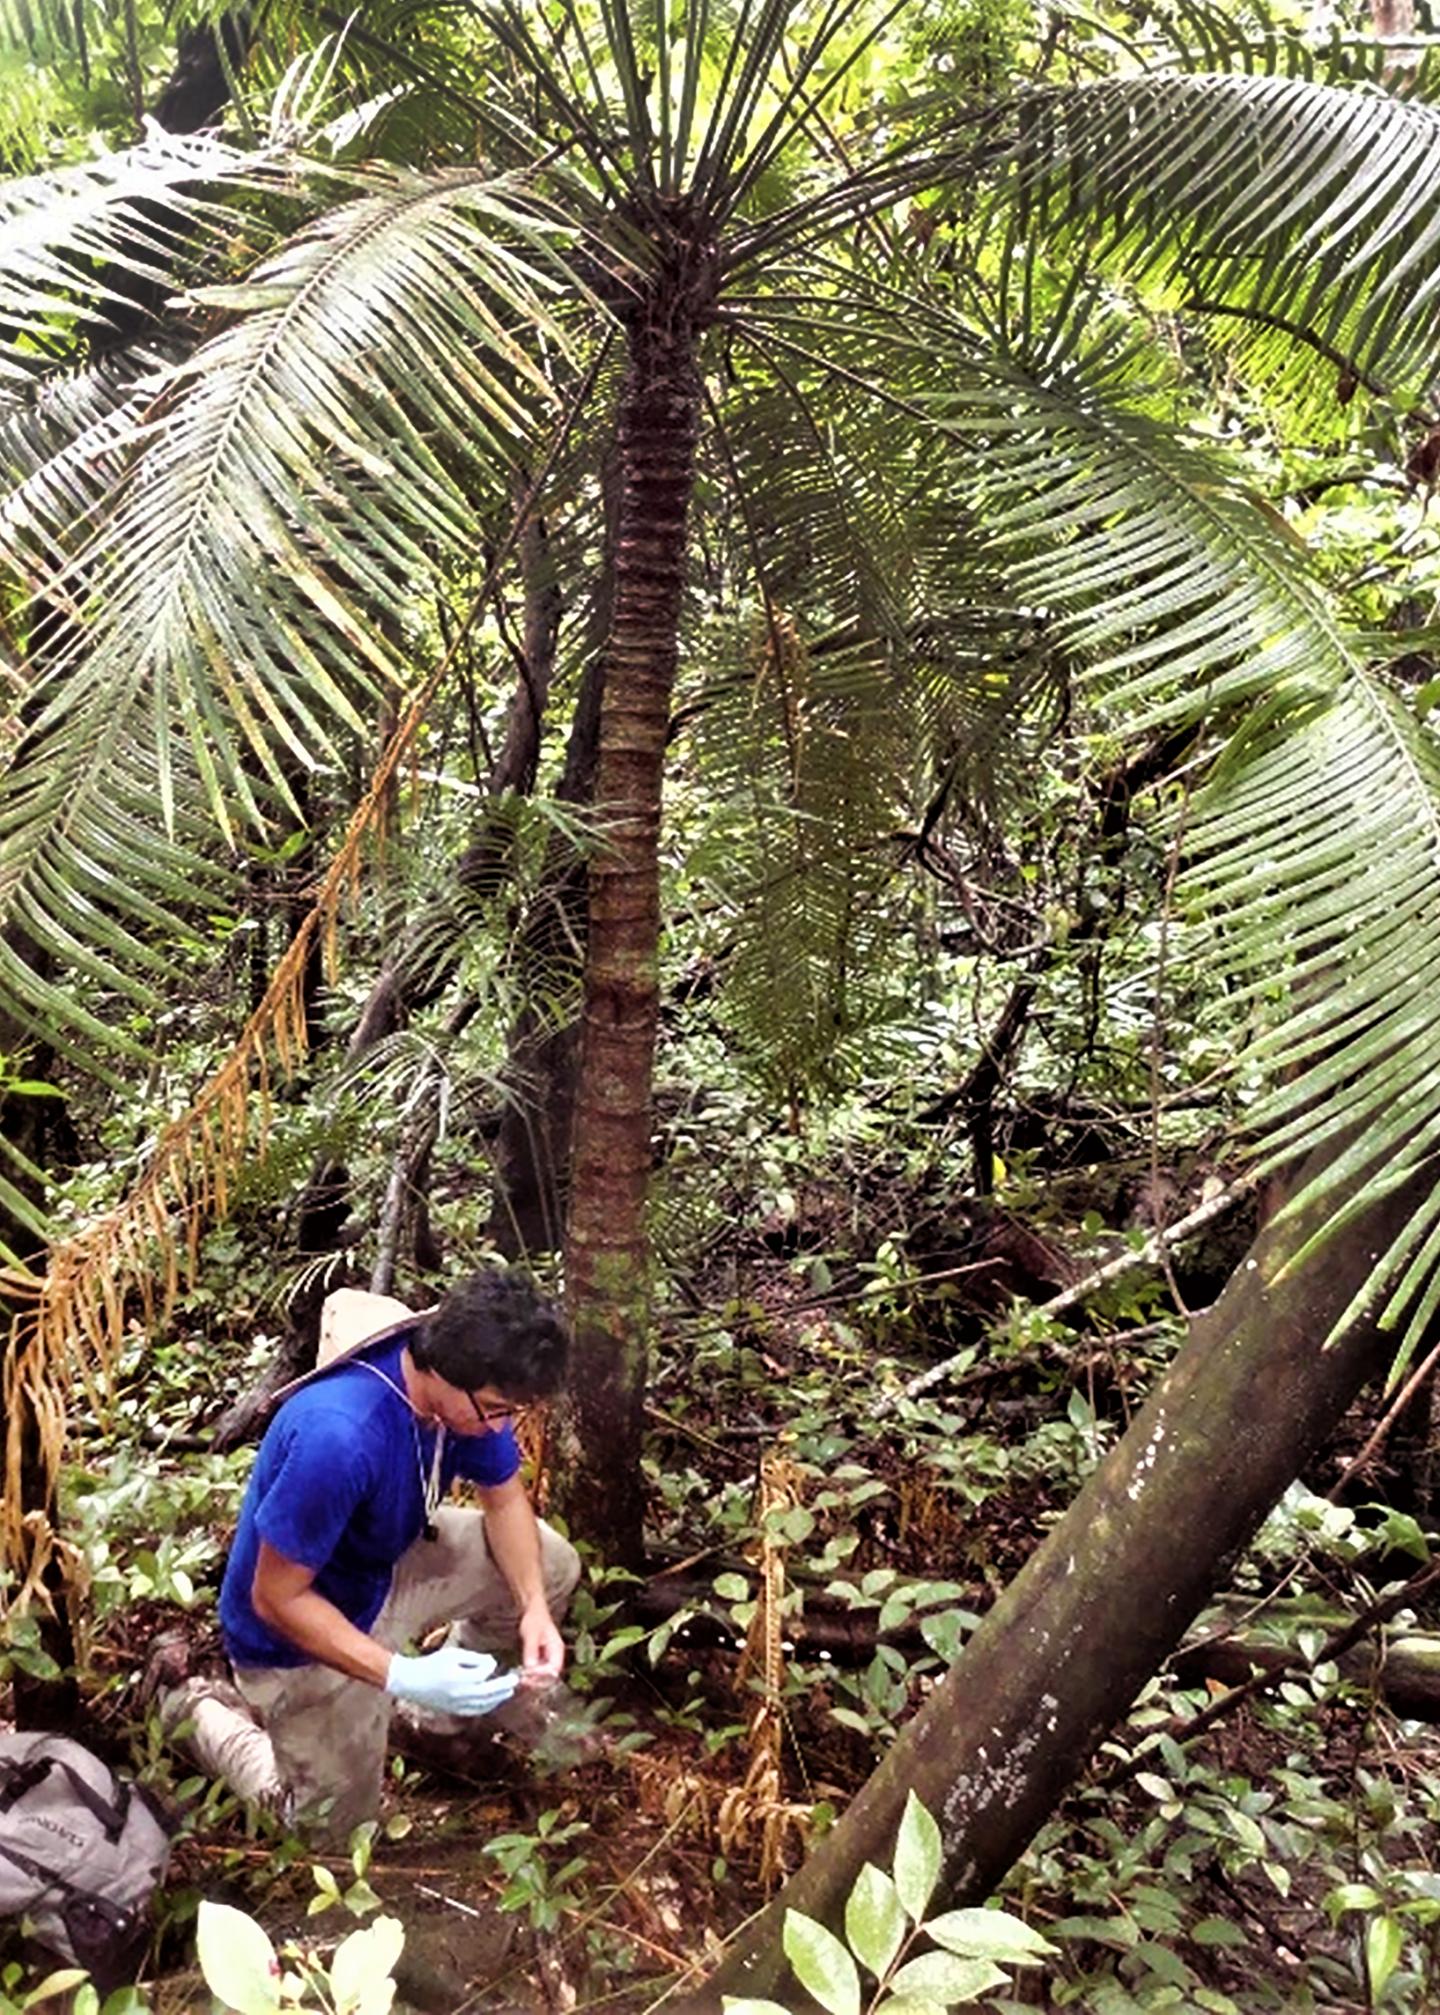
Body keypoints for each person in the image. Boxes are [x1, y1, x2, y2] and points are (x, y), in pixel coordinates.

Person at [152, 1269, 580, 1839]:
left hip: (384, 1561)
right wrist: (401, 1673)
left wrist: (533, 1609)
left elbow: (504, 1504)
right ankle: (195, 1708)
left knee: (551, 1567)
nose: (501, 1427)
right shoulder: (340, 1435)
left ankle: (435, 1723)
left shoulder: (473, 1396)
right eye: (496, 1410)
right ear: (447, 1373)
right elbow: (275, 1598)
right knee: (329, 1832)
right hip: (295, 1632)